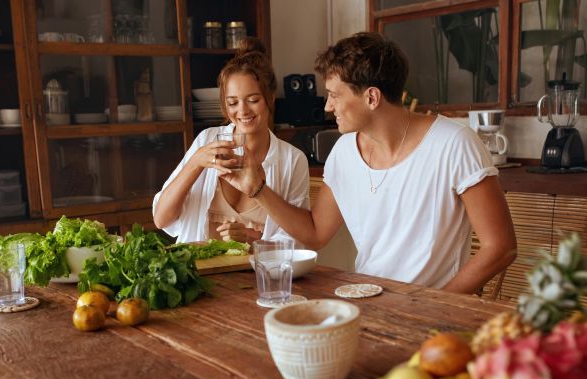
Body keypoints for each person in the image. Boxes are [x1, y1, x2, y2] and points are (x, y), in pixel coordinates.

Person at [220, 32, 516, 294]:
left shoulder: (454, 144)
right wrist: (258, 188)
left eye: (335, 95)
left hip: (432, 319)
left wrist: (436, 305)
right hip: (365, 299)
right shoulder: (344, 151)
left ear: (372, 97)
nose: (327, 106)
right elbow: (315, 234)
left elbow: (500, 248)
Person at [152, 38, 309, 244]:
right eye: (233, 102)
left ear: (270, 98)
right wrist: (195, 163)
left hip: (256, 273)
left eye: (253, 100)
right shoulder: (207, 140)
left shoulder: (292, 160)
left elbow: (300, 239)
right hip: (200, 268)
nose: (242, 110)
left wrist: (251, 238)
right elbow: (161, 219)